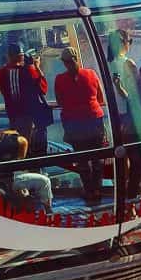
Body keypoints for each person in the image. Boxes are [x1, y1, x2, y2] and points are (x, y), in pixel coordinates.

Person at [54, 47, 108, 203]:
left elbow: (60, 101)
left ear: (64, 63)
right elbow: (100, 98)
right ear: (77, 58)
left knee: (82, 159)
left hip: (74, 123)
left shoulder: (60, 79)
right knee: (97, 159)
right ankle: (97, 190)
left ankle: (89, 191)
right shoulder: (91, 74)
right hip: (94, 119)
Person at [0, 42, 51, 156]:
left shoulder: (1, 73)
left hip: (13, 114)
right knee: (28, 144)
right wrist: (36, 67)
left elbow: (5, 92)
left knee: (18, 144)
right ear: (20, 56)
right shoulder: (28, 70)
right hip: (28, 116)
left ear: (8, 56)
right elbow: (43, 89)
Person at [105, 29, 135, 128]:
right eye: (129, 41)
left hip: (110, 112)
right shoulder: (128, 63)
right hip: (126, 111)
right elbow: (134, 93)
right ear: (123, 43)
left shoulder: (103, 65)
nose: (130, 44)